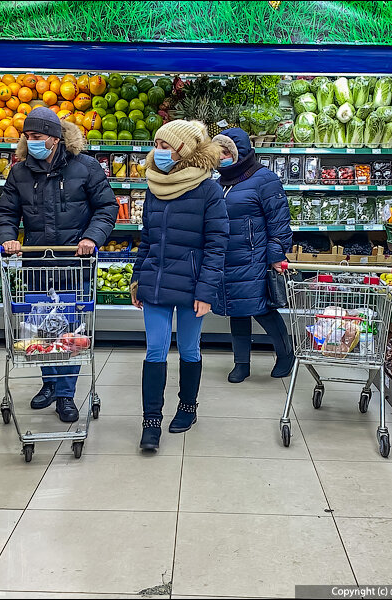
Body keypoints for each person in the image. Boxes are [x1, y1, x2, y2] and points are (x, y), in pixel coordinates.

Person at [0, 107, 118, 422]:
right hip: (38, 263)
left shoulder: (86, 167)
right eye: (28, 137)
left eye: (37, 137)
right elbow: (6, 213)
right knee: (44, 328)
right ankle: (49, 383)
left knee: (71, 329)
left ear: (55, 137)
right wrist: (7, 238)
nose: (31, 142)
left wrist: (92, 238)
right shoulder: (19, 172)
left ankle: (65, 394)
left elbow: (106, 207)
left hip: (75, 264)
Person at [131, 120, 229, 451]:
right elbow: (147, 238)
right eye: (155, 144)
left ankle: (188, 408)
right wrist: (136, 276)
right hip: (156, 282)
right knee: (155, 350)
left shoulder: (208, 190)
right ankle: (151, 422)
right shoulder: (153, 187)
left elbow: (217, 244)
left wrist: (206, 291)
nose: (156, 152)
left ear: (182, 151)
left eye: (163, 146)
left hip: (192, 286)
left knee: (189, 349)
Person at [212, 128, 295, 383]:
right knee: (236, 309)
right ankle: (241, 363)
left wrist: (275, 256)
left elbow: (279, 223)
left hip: (255, 258)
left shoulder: (264, 179)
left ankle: (285, 354)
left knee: (262, 309)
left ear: (242, 152)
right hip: (227, 257)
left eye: (227, 152)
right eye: (219, 152)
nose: (221, 157)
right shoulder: (218, 183)